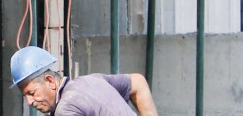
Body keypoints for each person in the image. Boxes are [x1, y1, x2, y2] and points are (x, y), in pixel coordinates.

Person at [11, 46, 158, 116]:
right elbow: (138, 82)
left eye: (31, 93)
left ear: (50, 81)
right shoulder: (91, 81)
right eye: (26, 97)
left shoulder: (65, 109)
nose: (29, 102)